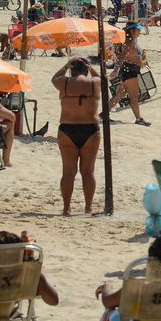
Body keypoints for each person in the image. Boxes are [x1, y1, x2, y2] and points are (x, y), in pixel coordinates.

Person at [53, 58, 101, 216]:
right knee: (88, 172)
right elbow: (102, 79)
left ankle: (67, 208)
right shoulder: (94, 83)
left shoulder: (64, 83)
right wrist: (91, 67)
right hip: (90, 130)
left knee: (68, 172)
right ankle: (88, 207)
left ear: (71, 70)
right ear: (86, 70)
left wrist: (66, 66)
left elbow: (54, 78)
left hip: (67, 128)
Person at [110, 24, 151, 126]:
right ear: (132, 31)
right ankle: (138, 119)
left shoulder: (132, 41)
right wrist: (115, 70)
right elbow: (122, 58)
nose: (140, 31)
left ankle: (103, 114)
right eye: (138, 29)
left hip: (130, 70)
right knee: (134, 96)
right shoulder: (129, 43)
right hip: (130, 71)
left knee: (119, 95)